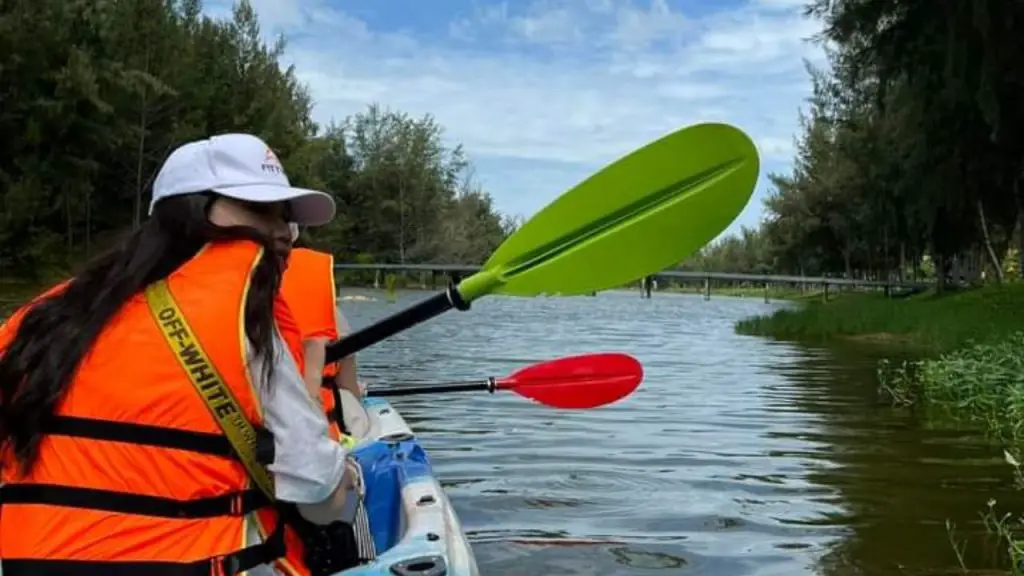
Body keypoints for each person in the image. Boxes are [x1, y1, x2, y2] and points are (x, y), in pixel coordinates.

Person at [0, 133, 373, 575]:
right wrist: (347, 477)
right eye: (259, 209)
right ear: (192, 210)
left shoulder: (43, 323)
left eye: (286, 218)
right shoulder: (244, 323)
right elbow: (316, 493)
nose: (281, 232)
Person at [279, 226, 368, 443]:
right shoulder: (331, 315)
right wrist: (356, 391)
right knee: (349, 399)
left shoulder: (223, 294)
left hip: (254, 435)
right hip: (320, 435)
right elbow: (347, 383)